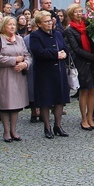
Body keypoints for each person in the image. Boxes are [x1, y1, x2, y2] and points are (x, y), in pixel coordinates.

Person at [64, 3, 94, 131]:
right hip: (82, 62)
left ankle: (90, 117)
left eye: (80, 11)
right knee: (85, 90)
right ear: (71, 15)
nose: (79, 14)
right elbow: (76, 49)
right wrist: (92, 56)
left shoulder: (89, 26)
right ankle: (83, 118)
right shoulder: (69, 30)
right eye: (76, 12)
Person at [28, 10, 70, 139]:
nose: (49, 23)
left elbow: (65, 47)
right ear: (39, 24)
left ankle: (58, 126)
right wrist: (55, 54)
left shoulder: (57, 34)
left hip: (59, 71)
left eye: (50, 20)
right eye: (46, 21)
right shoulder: (35, 35)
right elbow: (38, 52)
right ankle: (47, 127)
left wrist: (64, 53)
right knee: (45, 100)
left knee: (59, 99)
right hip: (44, 72)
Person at [0, 16, 30, 142]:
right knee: (5, 103)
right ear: (3, 26)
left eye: (14, 24)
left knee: (16, 104)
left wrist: (25, 64)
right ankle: (6, 131)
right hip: (4, 75)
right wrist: (14, 60)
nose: (12, 27)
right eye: (9, 25)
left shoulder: (19, 39)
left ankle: (14, 130)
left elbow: (27, 55)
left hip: (18, 75)